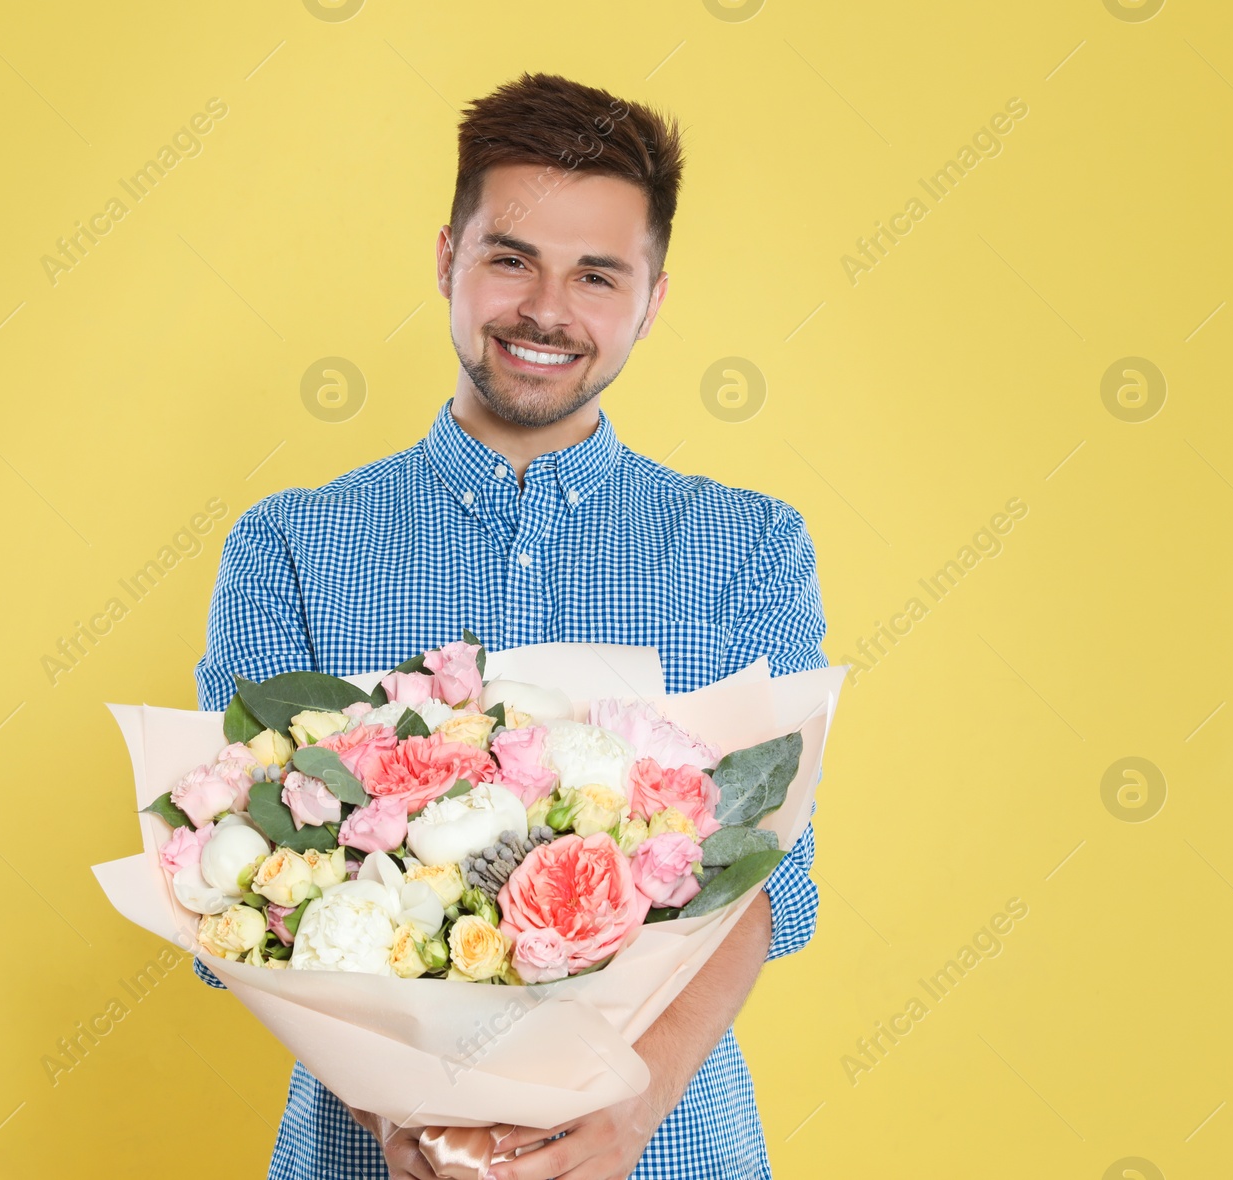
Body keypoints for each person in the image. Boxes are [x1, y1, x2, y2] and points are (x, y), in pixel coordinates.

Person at [192, 71, 826, 1180]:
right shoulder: (287, 545)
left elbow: (769, 875)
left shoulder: (748, 547)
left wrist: (628, 1114)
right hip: (366, 1157)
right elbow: (227, 875)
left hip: (669, 1148)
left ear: (652, 297)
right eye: (510, 259)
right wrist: (402, 1115)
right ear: (448, 259)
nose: (546, 310)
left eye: (595, 274)